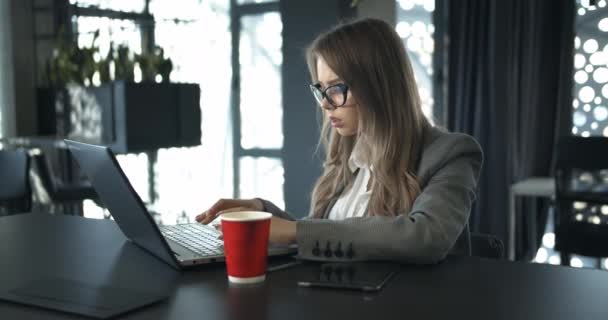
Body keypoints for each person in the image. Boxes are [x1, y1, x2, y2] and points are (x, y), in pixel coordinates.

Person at [196, 18, 483, 264]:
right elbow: (328, 234)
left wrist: (294, 232)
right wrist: (261, 212)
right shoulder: (350, 157)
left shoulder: (452, 154)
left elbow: (425, 238)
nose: (325, 104)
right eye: (321, 89)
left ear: (378, 87)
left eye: (336, 89)